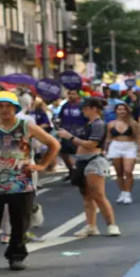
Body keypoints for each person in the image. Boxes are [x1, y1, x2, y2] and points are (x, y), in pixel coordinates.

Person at [0, 92, 60, 275]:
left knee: (20, 224)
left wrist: (42, 165)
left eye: (9, 106)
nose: (5, 110)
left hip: (21, 184)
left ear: (16, 108)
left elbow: (54, 144)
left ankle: (16, 257)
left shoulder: (27, 126)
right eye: (0, 106)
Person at [57, 97, 121, 237]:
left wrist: (69, 137)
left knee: (98, 194)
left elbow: (91, 144)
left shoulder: (98, 124)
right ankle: (91, 226)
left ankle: (111, 224)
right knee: (86, 196)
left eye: (85, 108)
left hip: (94, 160)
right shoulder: (88, 124)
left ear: (93, 108)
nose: (82, 110)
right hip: (81, 161)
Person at [105, 103, 140, 204]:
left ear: (127, 111)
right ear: (116, 111)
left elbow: (138, 138)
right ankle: (122, 191)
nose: (122, 111)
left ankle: (128, 193)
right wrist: (105, 150)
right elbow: (108, 138)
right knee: (119, 172)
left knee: (128, 171)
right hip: (115, 146)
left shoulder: (133, 123)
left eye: (123, 109)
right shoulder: (111, 124)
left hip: (129, 147)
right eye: (119, 109)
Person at [57, 89, 87, 180]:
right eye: (69, 93)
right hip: (66, 132)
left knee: (79, 154)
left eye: (73, 94)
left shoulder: (82, 106)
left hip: (79, 133)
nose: (71, 95)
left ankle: (81, 173)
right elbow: (60, 117)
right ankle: (71, 170)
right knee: (63, 152)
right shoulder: (65, 106)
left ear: (78, 95)